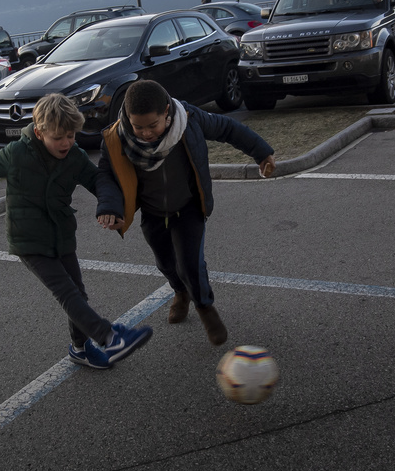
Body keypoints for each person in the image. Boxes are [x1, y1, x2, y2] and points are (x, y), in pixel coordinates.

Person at [0, 93, 151, 370]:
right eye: (58, 137)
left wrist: (112, 207)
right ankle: (109, 338)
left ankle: (80, 348)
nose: (66, 143)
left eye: (71, 135)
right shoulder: (16, 154)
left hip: (61, 235)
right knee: (67, 293)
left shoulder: (75, 156)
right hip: (28, 240)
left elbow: (98, 180)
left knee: (78, 293)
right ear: (39, 133)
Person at [95, 80, 275, 345]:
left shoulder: (188, 119)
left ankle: (205, 307)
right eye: (138, 127)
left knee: (190, 265)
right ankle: (180, 293)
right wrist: (109, 207)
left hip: (188, 207)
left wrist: (262, 153)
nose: (145, 133)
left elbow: (227, 128)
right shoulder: (116, 137)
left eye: (152, 125)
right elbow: (106, 173)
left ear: (167, 112)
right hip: (153, 212)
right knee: (166, 263)